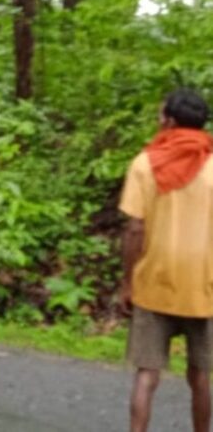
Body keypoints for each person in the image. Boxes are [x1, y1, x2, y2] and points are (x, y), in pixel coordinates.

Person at [119, 88, 213, 432]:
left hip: (153, 284)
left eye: (161, 115)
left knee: (147, 375)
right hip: (204, 287)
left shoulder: (145, 164)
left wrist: (127, 281)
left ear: (170, 122)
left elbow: (134, 229)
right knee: (200, 376)